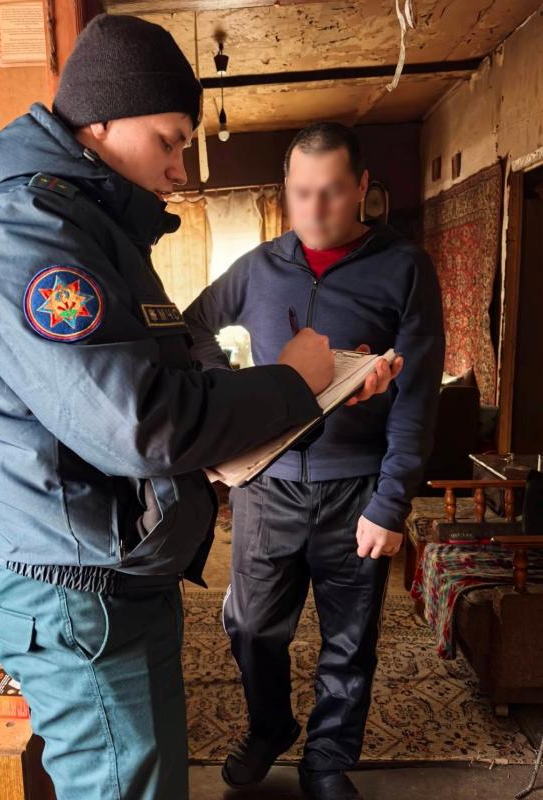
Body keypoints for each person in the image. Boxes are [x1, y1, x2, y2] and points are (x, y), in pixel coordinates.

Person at [0, 16, 398, 800]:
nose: (180, 169)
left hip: (115, 578)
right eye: (170, 141)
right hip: (82, 591)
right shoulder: (29, 230)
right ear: (102, 119)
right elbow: (141, 423)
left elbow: (150, 388)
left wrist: (291, 399)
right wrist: (291, 382)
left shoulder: (92, 230)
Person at [183, 122, 444, 800]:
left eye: (331, 191)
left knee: (349, 641)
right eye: (301, 192)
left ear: (362, 187)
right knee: (250, 628)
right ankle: (269, 727)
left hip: (356, 489)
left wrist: (391, 502)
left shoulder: (405, 268)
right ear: (286, 189)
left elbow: (418, 396)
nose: (315, 208)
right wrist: (230, 391)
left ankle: (327, 760)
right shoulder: (259, 267)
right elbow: (192, 327)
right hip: (266, 487)